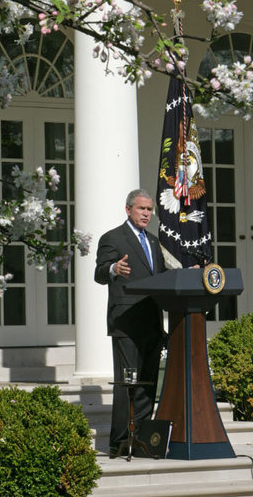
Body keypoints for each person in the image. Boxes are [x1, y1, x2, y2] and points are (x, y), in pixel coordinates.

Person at [94, 188, 166, 458]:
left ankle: (144, 438)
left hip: (152, 322)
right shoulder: (112, 238)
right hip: (126, 323)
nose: (147, 214)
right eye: (142, 209)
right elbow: (100, 273)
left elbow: (161, 275)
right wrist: (114, 269)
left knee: (147, 383)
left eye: (150, 210)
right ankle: (120, 440)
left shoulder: (154, 242)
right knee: (127, 385)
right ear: (128, 209)